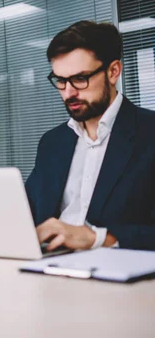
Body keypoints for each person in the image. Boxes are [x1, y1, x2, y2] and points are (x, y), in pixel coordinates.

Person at [25, 20, 155, 251]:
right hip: (49, 265)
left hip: (118, 272)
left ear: (113, 72)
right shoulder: (52, 143)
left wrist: (100, 239)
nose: (68, 92)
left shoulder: (149, 133)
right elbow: (27, 213)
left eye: (79, 79)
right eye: (61, 80)